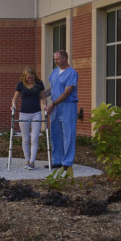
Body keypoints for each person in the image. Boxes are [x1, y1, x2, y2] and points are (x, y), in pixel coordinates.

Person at [46, 50, 79, 179]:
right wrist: (39, 94)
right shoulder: (55, 72)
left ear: (64, 58)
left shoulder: (72, 73)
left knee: (68, 133)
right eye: (55, 59)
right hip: (55, 107)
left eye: (57, 59)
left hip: (67, 106)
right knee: (56, 133)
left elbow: (67, 92)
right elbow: (51, 89)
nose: (55, 61)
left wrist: (53, 104)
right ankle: (57, 160)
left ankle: (67, 162)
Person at [9, 66, 47, 168]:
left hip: (36, 113)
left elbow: (43, 97)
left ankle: (32, 162)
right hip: (24, 113)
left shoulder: (39, 84)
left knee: (34, 138)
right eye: (28, 77)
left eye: (32, 77)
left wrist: (45, 106)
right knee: (25, 139)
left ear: (34, 76)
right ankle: (27, 160)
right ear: (25, 77)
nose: (30, 79)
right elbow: (15, 98)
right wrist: (13, 105)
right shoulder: (21, 85)